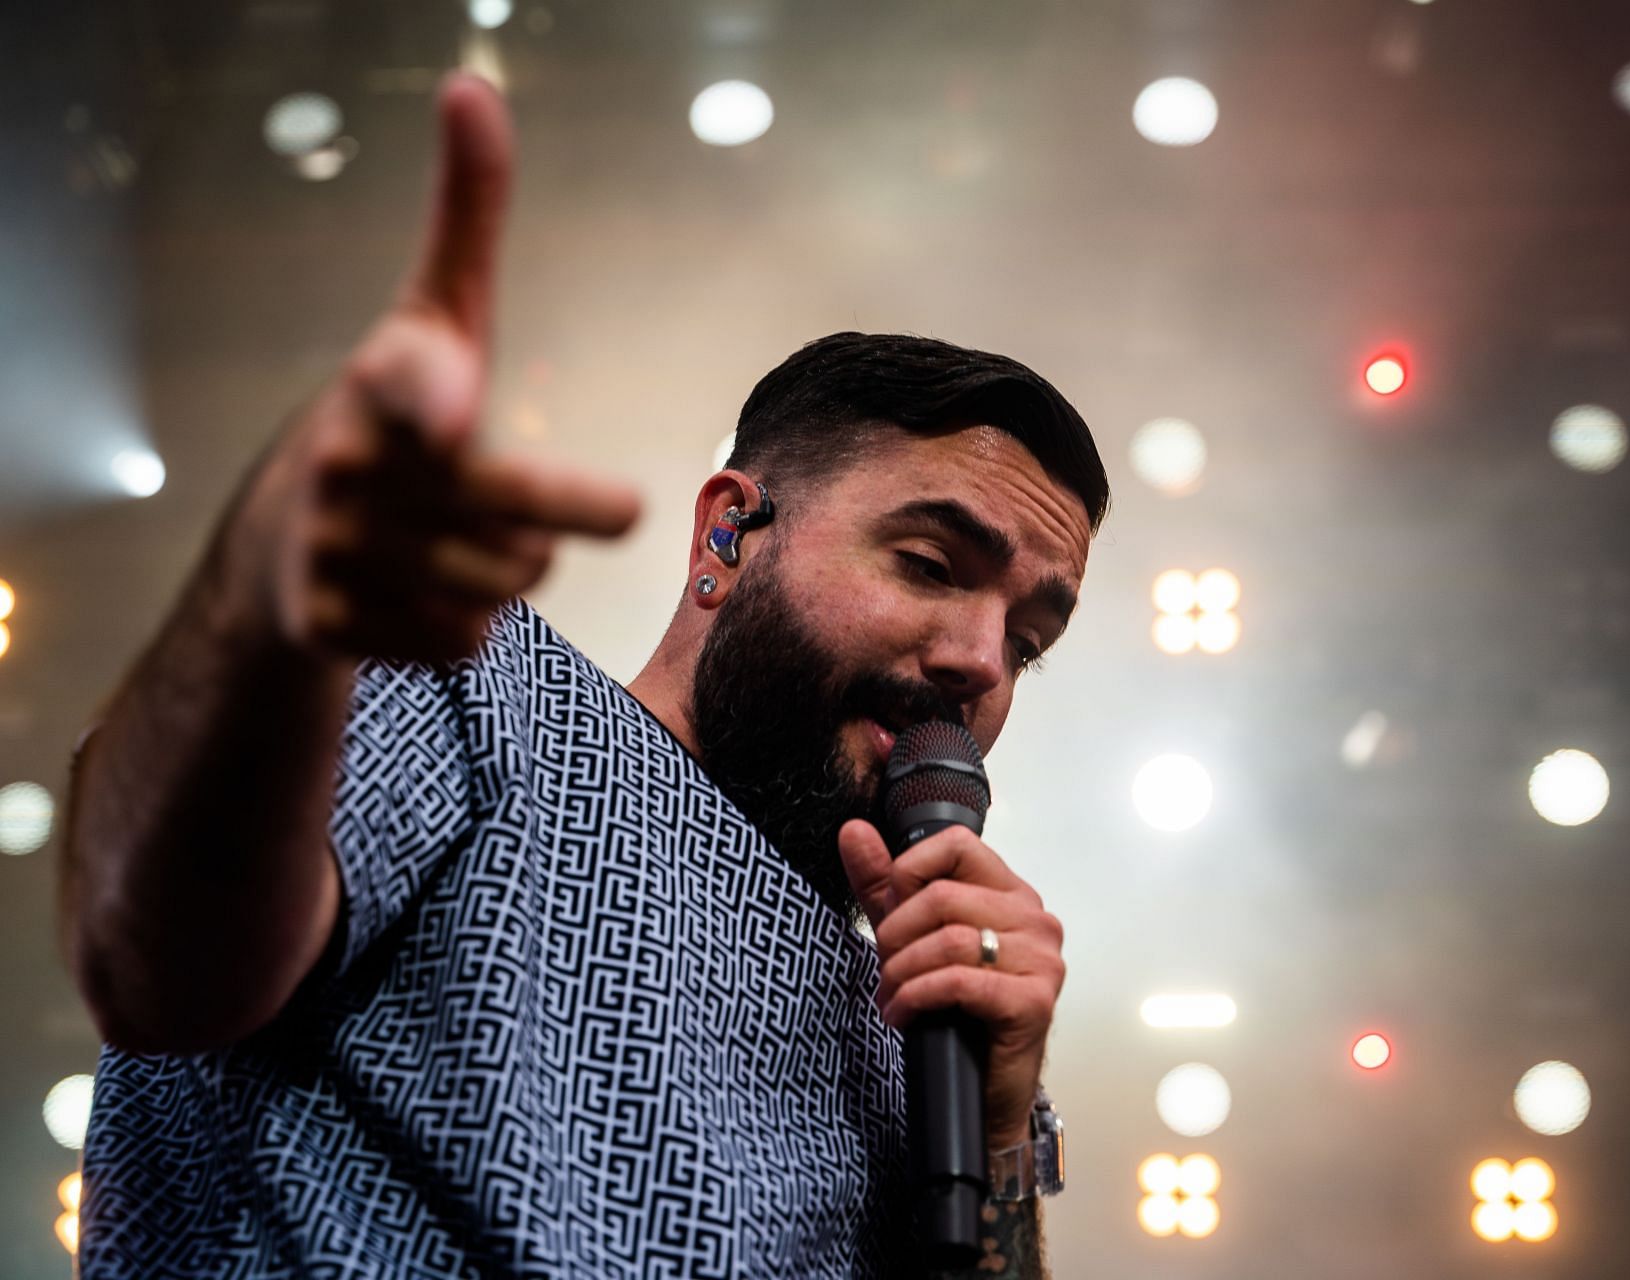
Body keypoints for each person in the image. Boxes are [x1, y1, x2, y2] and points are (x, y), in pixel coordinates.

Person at [58, 73, 1107, 1279]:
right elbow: (158, 961)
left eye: (1028, 637)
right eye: (929, 562)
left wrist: (1003, 1131)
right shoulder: (476, 683)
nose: (981, 659)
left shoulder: (901, 1015)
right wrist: (264, 624)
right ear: (728, 535)